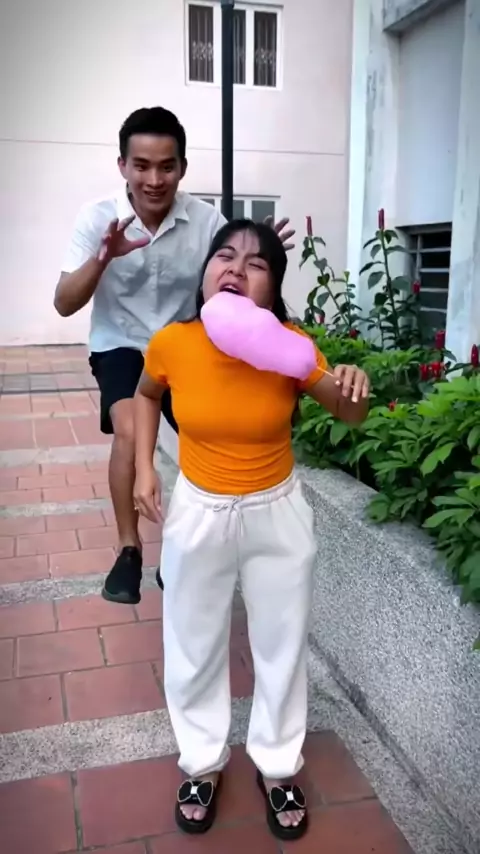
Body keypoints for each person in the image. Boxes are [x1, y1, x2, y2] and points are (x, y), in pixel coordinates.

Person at [133, 219, 370, 840]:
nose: (236, 268)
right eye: (225, 256)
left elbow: (350, 412)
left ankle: (278, 764)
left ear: (272, 289)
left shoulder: (289, 345)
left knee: (281, 645)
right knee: (192, 642)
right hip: (198, 512)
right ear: (206, 274)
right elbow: (146, 394)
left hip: (276, 512)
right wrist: (143, 468)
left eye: (257, 263)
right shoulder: (174, 343)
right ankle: (202, 763)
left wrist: (352, 383)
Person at [53, 106, 294, 605]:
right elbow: (63, 303)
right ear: (122, 165)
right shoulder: (96, 218)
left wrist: (260, 253)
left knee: (206, 434)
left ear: (182, 168)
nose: (154, 179)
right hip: (120, 343)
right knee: (129, 431)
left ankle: (181, 546)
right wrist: (103, 258)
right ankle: (129, 548)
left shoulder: (206, 221)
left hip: (184, 344)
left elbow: (232, 273)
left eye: (167, 166)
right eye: (142, 166)